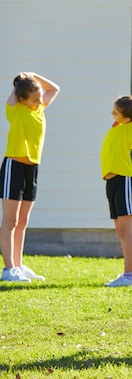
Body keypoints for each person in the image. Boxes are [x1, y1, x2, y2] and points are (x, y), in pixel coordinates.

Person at [1, 72, 60, 282]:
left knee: (23, 221)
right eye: (34, 99)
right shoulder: (15, 110)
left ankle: (18, 265)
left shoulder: (40, 109)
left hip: (32, 168)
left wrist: (35, 76)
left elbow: (55, 89)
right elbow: (14, 96)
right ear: (22, 99)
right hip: (13, 166)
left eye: (39, 98)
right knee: (10, 220)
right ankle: (9, 269)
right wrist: (20, 82)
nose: (39, 102)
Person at [100, 92, 132, 287]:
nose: (112, 113)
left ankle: (130, 275)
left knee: (127, 231)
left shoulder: (131, 130)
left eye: (116, 112)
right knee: (120, 230)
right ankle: (129, 273)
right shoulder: (118, 127)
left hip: (124, 180)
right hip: (112, 182)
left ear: (127, 118)